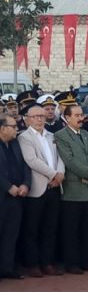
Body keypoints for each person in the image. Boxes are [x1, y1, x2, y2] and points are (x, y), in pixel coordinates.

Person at [54, 104, 88, 274]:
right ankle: (72, 263)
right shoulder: (61, 136)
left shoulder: (87, 135)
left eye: (81, 115)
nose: (80, 118)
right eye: (76, 115)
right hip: (73, 191)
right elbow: (69, 160)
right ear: (67, 118)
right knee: (72, 230)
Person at [18, 105, 64, 277]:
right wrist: (53, 174)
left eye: (42, 116)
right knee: (32, 229)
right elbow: (32, 160)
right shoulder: (25, 137)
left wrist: (60, 174)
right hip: (37, 189)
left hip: (54, 187)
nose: (39, 119)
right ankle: (33, 263)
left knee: (50, 227)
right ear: (28, 119)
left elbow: (60, 158)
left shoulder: (52, 136)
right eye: (35, 116)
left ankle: (48, 262)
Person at [0, 114, 31, 279]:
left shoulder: (15, 144)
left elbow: (25, 165)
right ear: (3, 128)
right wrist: (8, 187)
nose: (16, 129)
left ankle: (7, 267)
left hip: (17, 196)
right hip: (3, 195)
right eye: (13, 126)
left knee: (11, 234)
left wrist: (26, 184)